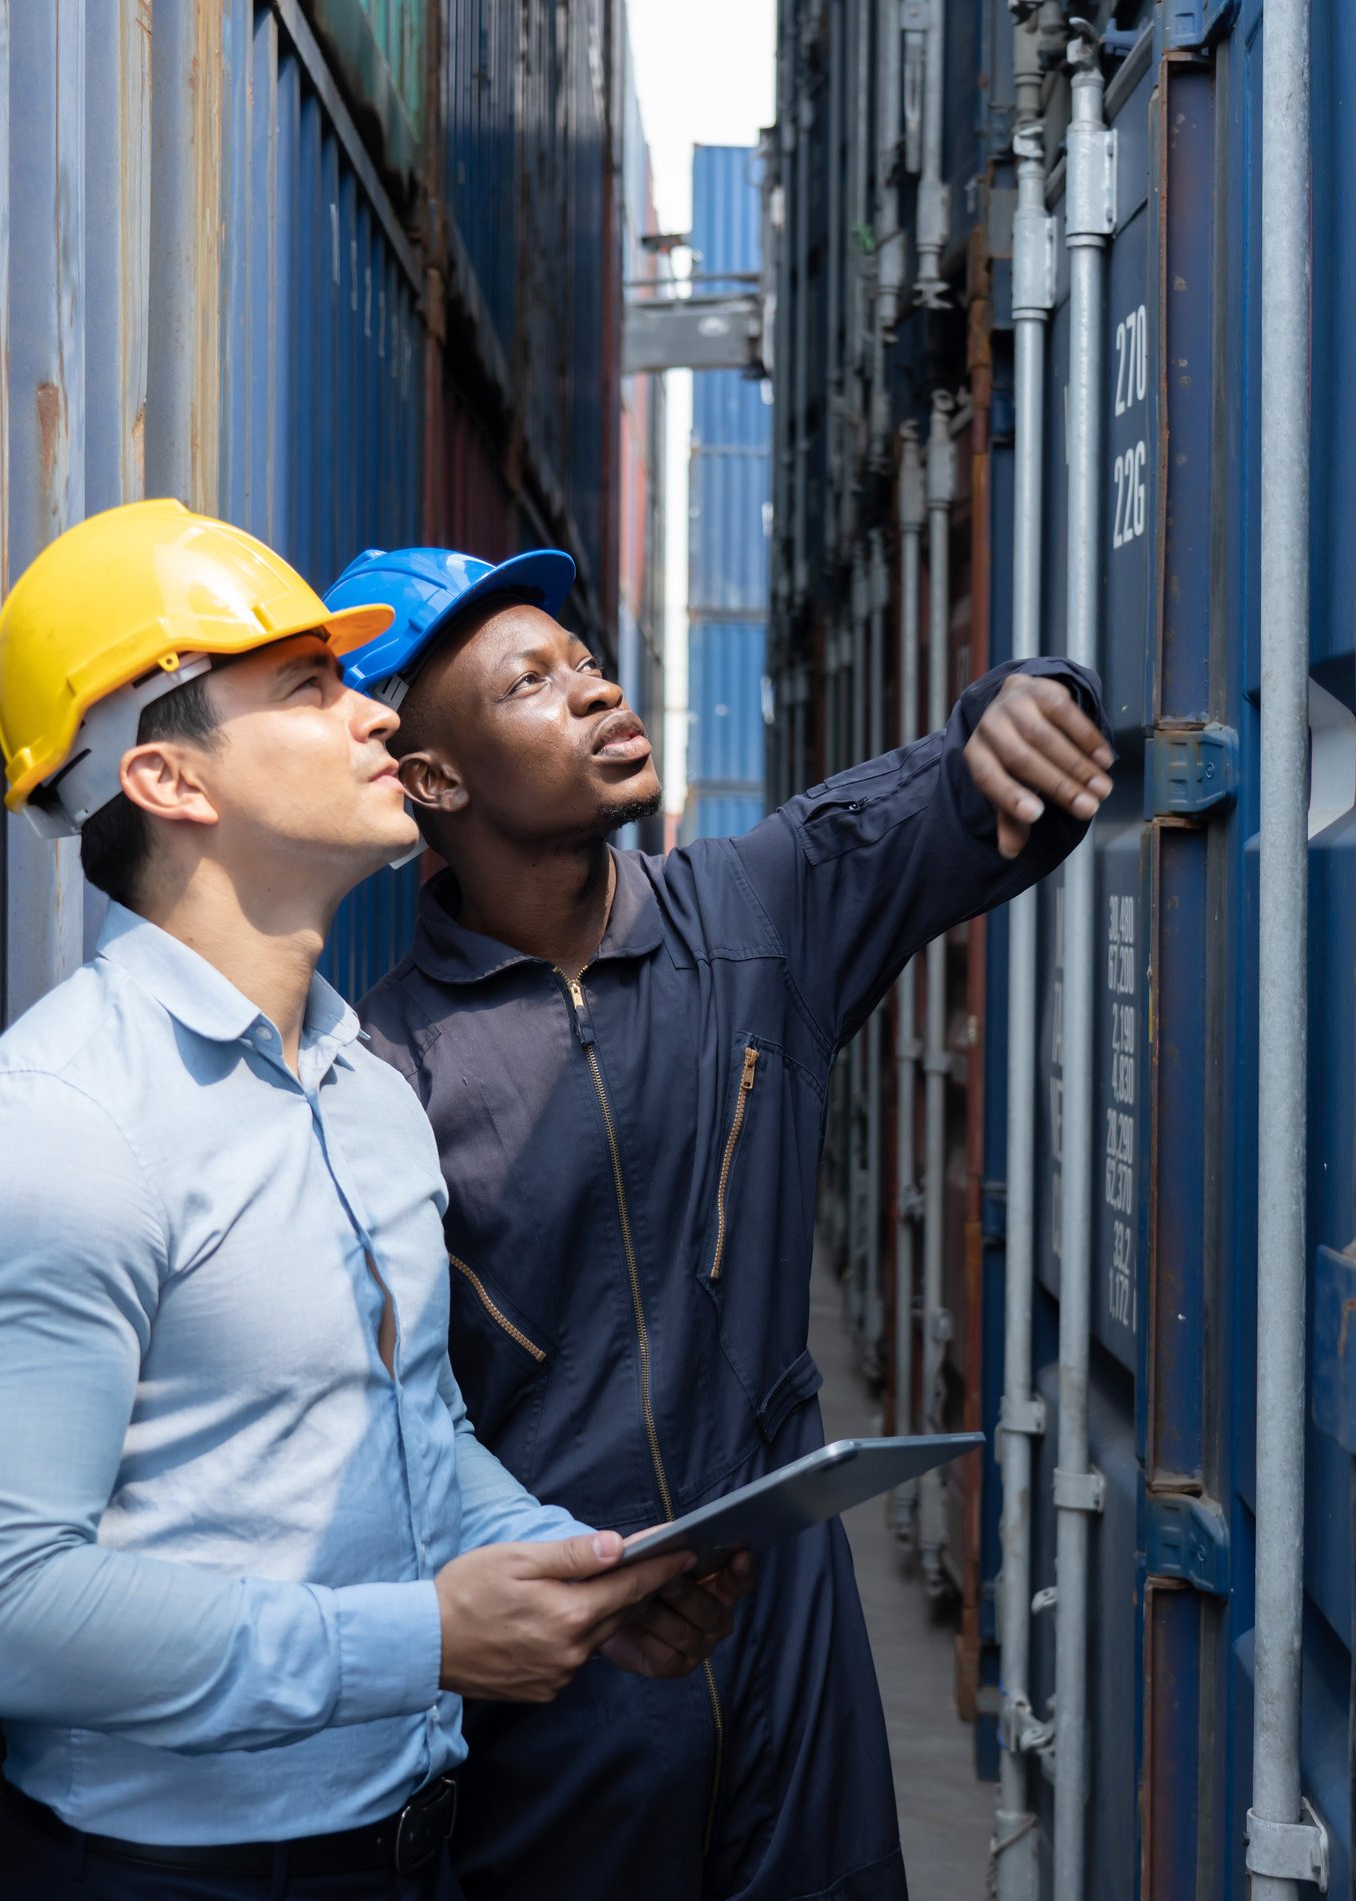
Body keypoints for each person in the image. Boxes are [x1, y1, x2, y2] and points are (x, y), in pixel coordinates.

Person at [0, 503, 747, 1901]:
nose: (372, 717)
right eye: (307, 686)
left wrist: (571, 1569)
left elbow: (411, 1439)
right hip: (164, 1876)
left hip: (406, 1848)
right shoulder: (58, 1125)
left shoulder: (363, 1088)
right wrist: (421, 1640)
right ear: (171, 780)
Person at [325, 543, 1112, 1900]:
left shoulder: (749, 916)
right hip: (569, 1679)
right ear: (436, 778)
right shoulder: (388, 1071)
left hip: (787, 1637)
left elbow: (959, 799)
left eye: (584, 659)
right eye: (531, 682)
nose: (593, 688)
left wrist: (1028, 699)